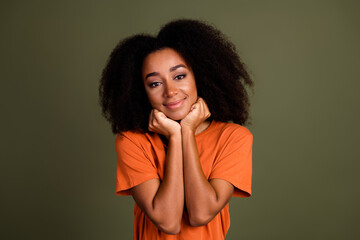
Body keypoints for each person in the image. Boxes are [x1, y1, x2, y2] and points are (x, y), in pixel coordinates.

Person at [99, 19, 254, 240]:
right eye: (155, 83)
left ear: (199, 76)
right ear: (141, 91)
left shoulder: (233, 138)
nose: (170, 91)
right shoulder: (132, 142)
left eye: (179, 76)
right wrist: (175, 136)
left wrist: (187, 132)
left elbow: (200, 213)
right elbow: (168, 221)